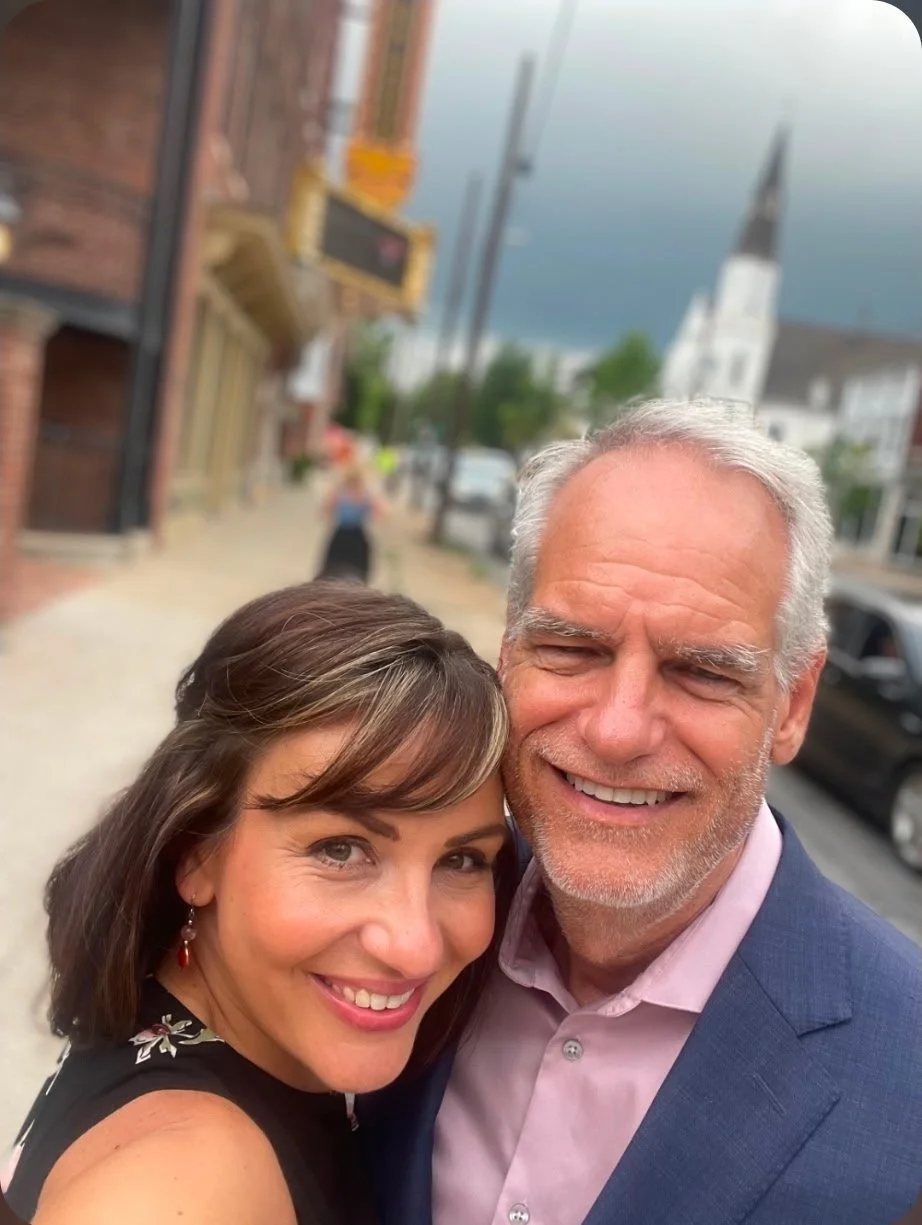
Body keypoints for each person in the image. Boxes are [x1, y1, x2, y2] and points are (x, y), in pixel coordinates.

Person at [359, 399, 922, 1225]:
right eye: (574, 648)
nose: (618, 730)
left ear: (793, 705)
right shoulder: (391, 928)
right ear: (508, 652)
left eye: (702, 671)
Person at [2, 583, 516, 1225]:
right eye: (340, 850)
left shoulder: (189, 1038)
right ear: (195, 852)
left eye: (462, 860)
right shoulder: (186, 1188)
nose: (414, 944)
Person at [317, 465, 383, 583]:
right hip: (354, 535)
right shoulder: (355, 495)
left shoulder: (356, 495)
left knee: (334, 568)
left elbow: (324, 511)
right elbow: (380, 514)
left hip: (344, 534)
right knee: (355, 569)